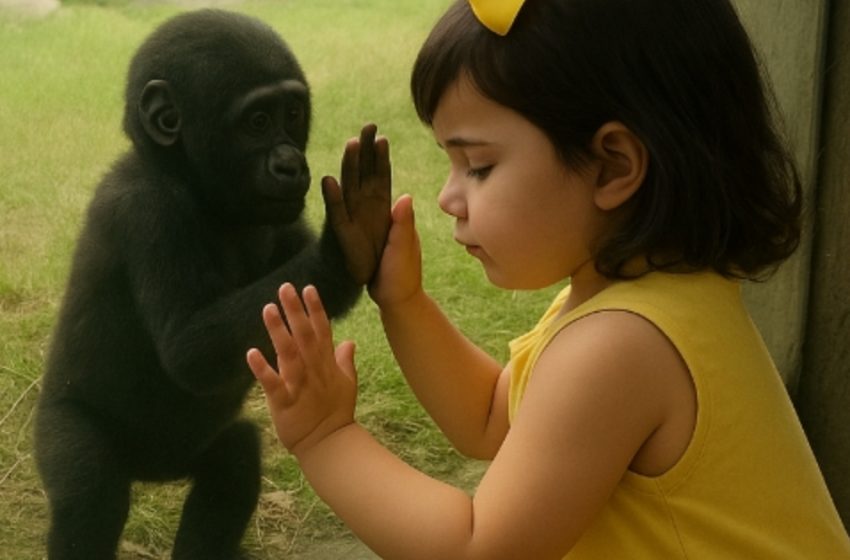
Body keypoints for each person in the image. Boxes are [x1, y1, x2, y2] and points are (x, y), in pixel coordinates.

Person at [246, 0, 850, 557]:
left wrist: (326, 437)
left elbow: (477, 548)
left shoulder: (621, 346)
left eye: (479, 166)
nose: (448, 197)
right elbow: (492, 418)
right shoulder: (637, 298)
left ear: (613, 165)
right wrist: (402, 300)